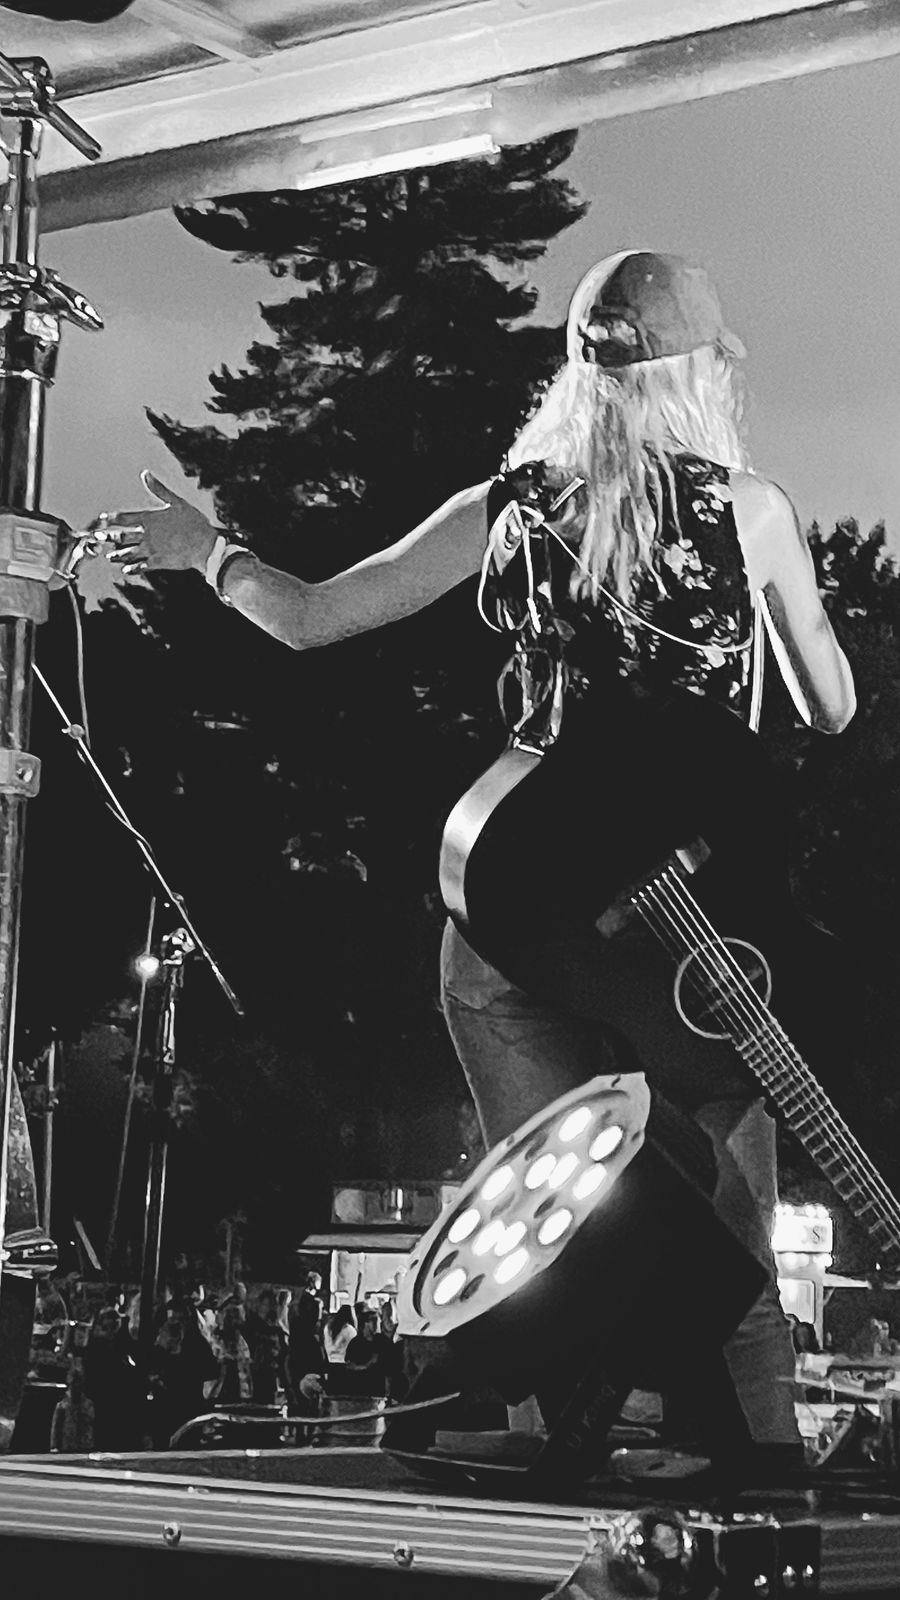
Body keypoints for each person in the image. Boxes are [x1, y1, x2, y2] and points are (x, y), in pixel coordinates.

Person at [100, 250, 855, 1467]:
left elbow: (311, 618)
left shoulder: (507, 507)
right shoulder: (750, 510)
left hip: (515, 919)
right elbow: (831, 706)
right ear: (702, 374)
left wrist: (211, 554)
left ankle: (547, 1452)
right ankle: (761, 1471)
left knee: (546, 1220)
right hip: (684, 939)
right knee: (734, 1237)